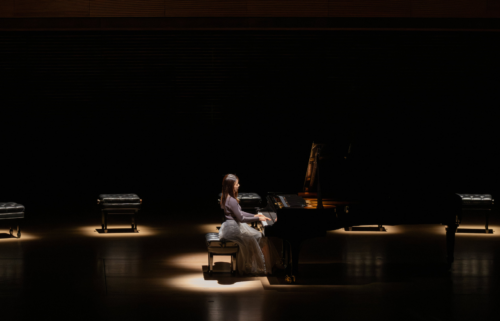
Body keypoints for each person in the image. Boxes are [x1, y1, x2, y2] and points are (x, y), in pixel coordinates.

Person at [219, 174, 281, 275]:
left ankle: (261, 265)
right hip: (234, 229)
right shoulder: (232, 200)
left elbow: (240, 213)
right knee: (261, 237)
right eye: (236, 184)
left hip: (231, 226)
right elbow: (241, 218)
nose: (238, 185)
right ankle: (267, 269)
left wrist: (255, 215)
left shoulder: (226, 197)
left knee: (258, 237)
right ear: (231, 186)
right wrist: (258, 218)